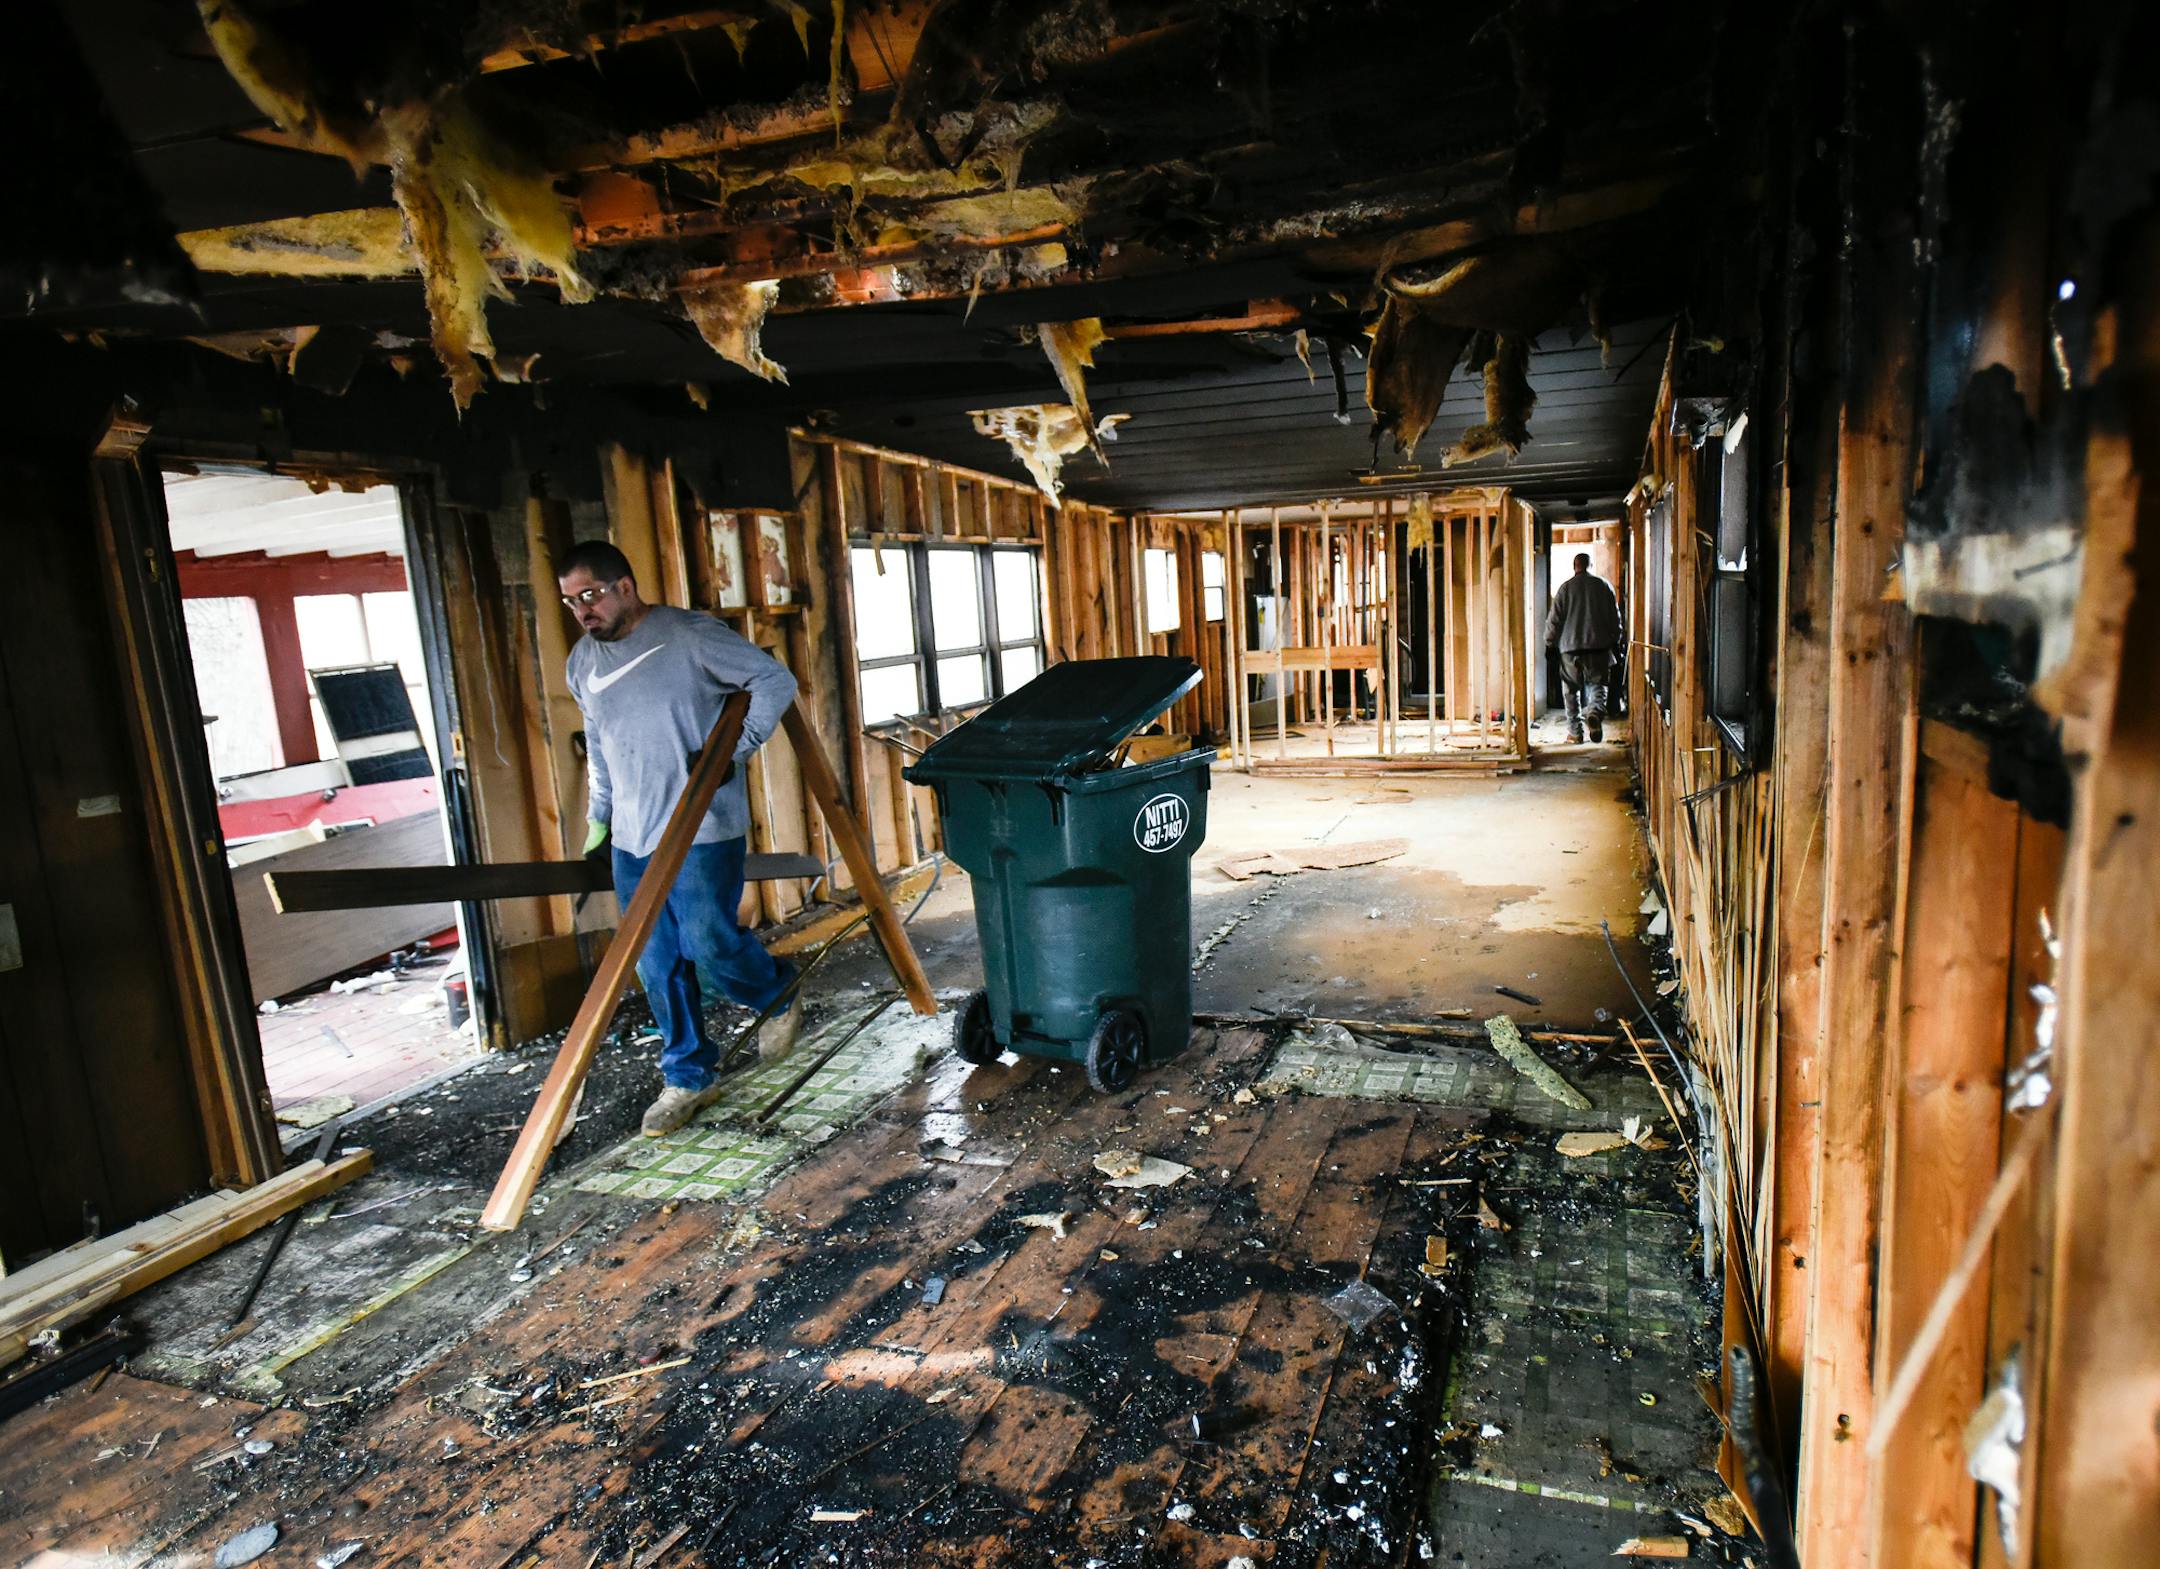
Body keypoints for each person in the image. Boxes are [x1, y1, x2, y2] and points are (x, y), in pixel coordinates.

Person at [559, 540, 803, 1137]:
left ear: (625, 586)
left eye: (591, 595)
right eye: (571, 602)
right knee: (655, 960)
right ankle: (688, 1076)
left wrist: (735, 752)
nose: (583, 611)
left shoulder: (690, 634)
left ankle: (777, 993)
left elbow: (774, 681)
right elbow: (601, 744)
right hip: (631, 834)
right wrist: (599, 818)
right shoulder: (581, 662)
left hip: (700, 823)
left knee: (708, 943)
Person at [1543, 552, 1624, 743]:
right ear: (1590, 565)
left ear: (1574, 566)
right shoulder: (1604, 587)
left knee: (1570, 691)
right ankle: (1595, 711)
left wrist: (1549, 643)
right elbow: (1615, 618)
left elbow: (1554, 620)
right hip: (1598, 647)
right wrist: (1615, 640)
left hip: (1570, 649)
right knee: (1598, 685)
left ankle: (1575, 732)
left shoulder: (1565, 589)